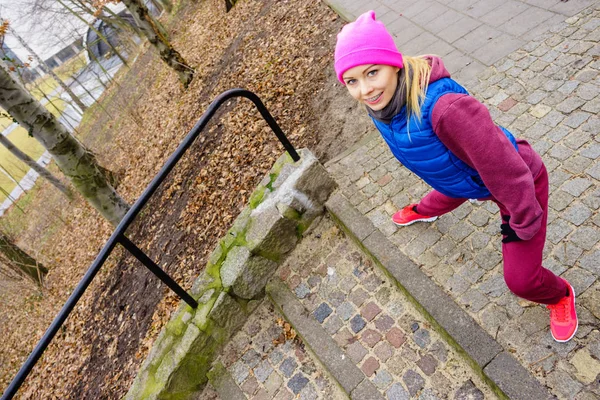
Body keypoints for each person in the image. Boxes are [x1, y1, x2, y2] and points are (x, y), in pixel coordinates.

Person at [334, 10, 578, 343]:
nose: (364, 90)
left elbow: (507, 171)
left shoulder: (445, 109)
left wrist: (525, 219)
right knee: (444, 190)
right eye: (352, 81)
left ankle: (560, 295)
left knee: (521, 281)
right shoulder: (382, 102)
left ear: (393, 63)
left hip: (516, 182)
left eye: (372, 72)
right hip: (464, 179)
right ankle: (422, 211)